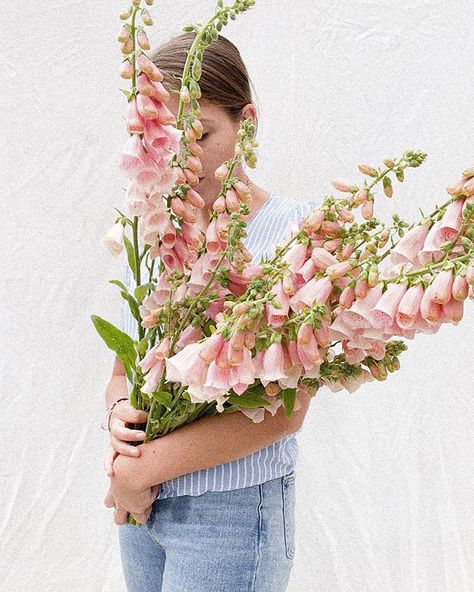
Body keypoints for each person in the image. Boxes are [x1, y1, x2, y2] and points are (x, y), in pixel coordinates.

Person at [104, 32, 318, 592]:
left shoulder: (297, 236)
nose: (182, 158)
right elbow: (124, 375)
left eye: (201, 135)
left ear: (246, 121)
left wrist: (140, 469)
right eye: (166, 141)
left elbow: (283, 410)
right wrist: (118, 424)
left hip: (231, 514)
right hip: (144, 512)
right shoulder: (156, 230)